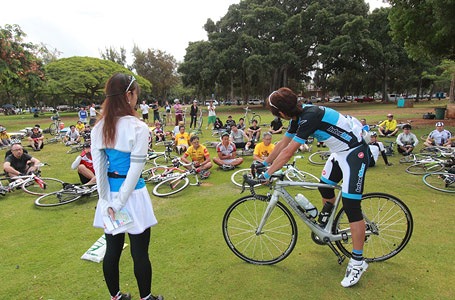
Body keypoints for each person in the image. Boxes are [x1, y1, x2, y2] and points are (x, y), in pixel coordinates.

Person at [257, 87, 369, 288]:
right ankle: (327, 220)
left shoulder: (310, 116)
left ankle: (358, 262)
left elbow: (289, 152)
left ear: (281, 113)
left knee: (352, 206)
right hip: (339, 153)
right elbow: (283, 143)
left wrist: (267, 174)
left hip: (354, 153)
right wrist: (265, 164)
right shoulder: (298, 116)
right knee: (325, 188)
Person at [91, 73, 163, 300]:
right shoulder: (138, 127)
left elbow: (99, 167)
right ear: (129, 95)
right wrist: (116, 202)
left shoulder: (99, 127)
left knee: (112, 250)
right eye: (136, 95)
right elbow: (135, 170)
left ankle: (116, 297)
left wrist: (106, 201)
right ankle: (146, 297)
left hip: (111, 194)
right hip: (132, 197)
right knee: (140, 252)